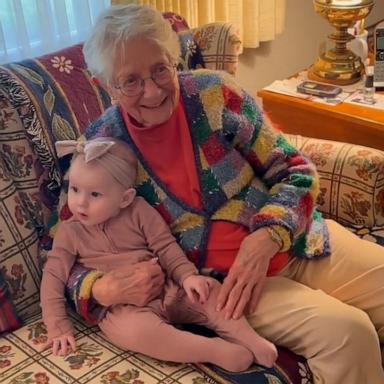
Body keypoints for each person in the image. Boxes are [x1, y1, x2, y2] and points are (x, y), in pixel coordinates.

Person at [57, 4, 384, 383]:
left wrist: (266, 236)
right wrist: (99, 289)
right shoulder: (102, 148)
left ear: (173, 58)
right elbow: (65, 241)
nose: (151, 90)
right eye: (130, 81)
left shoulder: (215, 96)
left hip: (297, 240)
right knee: (346, 332)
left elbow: (295, 171)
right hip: (226, 287)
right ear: (105, 86)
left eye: (160, 69)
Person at [40, 137, 278, 370]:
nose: (80, 203)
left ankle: (248, 339)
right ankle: (212, 350)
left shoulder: (139, 210)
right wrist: (57, 326)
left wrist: (187, 277)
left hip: (168, 288)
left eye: (94, 195)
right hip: (123, 308)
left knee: (210, 291)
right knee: (131, 331)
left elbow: (165, 246)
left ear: (125, 198)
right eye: (74, 189)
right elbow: (53, 277)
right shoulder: (69, 232)